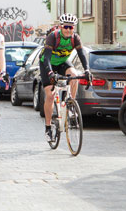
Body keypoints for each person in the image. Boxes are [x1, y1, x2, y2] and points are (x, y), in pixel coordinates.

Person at [39, 13, 91, 142]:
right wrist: (50, 73)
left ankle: (71, 104)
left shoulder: (75, 38)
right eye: (66, 27)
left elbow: (82, 54)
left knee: (75, 75)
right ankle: (48, 127)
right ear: (61, 27)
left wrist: (87, 70)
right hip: (48, 64)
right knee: (50, 95)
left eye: (71, 27)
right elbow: (46, 58)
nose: (68, 30)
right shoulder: (53, 36)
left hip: (63, 62)